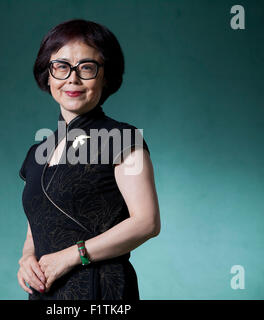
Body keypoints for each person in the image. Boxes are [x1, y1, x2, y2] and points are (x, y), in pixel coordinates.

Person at [17, 19, 161, 300]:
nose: (72, 78)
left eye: (86, 67)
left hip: (101, 290)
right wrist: (26, 258)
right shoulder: (37, 153)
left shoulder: (121, 138)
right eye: (61, 66)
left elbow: (146, 222)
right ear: (48, 75)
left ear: (105, 77)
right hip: (46, 292)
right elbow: (38, 222)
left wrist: (71, 256)